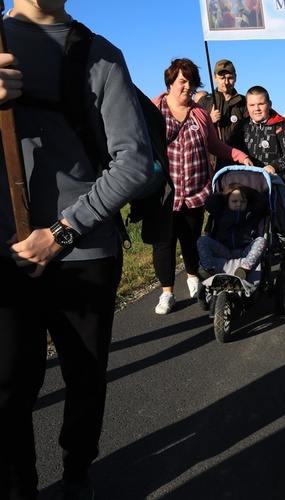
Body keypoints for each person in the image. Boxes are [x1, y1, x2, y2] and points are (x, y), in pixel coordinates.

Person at [0, 2, 153, 498]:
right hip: (5, 255)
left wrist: (62, 233)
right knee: (8, 391)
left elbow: (133, 163)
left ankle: (76, 473)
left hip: (84, 255)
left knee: (84, 380)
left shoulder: (101, 55)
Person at [151, 58, 251, 315]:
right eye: (182, 81)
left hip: (194, 190)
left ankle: (193, 277)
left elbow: (215, 146)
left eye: (191, 82)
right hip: (163, 192)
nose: (187, 87)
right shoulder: (154, 109)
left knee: (191, 239)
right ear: (171, 81)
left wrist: (240, 156)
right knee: (164, 243)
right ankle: (167, 293)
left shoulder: (199, 114)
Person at [226, 85, 285, 276]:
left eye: (261, 104)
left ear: (269, 104)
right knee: (249, 225)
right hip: (248, 186)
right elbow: (228, 149)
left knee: (281, 228)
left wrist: (274, 166)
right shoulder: (243, 127)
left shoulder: (279, 126)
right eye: (252, 105)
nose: (256, 108)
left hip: (275, 185)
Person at [196, 183, 267, 281]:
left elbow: (262, 201)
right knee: (202, 240)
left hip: (245, 251)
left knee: (261, 241)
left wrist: (246, 190)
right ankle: (209, 268)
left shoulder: (251, 212)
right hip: (224, 249)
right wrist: (224, 193)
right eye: (234, 201)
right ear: (226, 201)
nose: (239, 204)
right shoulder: (221, 212)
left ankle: (244, 269)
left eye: (243, 201)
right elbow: (209, 202)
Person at [197, 59, 247, 161]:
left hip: (238, 160)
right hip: (212, 161)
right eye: (222, 78)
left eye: (230, 78)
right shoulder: (204, 102)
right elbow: (194, 131)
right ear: (214, 78)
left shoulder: (245, 102)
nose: (226, 82)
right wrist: (209, 120)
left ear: (235, 77)